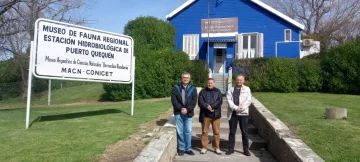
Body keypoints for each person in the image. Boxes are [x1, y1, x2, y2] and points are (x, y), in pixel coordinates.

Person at [171, 72, 198, 156]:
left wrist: (187, 109)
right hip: (178, 113)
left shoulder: (193, 88)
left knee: (188, 131)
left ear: (189, 79)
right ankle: (181, 148)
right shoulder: (176, 88)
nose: (185, 79)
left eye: (187, 78)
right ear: (181, 78)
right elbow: (173, 100)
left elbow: (194, 101)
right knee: (180, 131)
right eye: (184, 77)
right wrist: (180, 108)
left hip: (188, 113)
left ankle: (188, 148)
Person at [225, 75, 252, 156]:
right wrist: (235, 108)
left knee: (244, 132)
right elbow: (229, 100)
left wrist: (241, 108)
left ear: (243, 81)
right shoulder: (231, 89)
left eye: (241, 80)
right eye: (238, 80)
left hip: (243, 113)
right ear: (235, 80)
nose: (239, 81)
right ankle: (231, 148)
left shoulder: (247, 89)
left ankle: (246, 149)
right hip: (233, 112)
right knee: (232, 132)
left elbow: (249, 100)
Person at [198, 78, 223, 155]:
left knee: (216, 132)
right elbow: (200, 101)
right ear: (207, 83)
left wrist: (211, 106)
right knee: (204, 132)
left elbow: (220, 101)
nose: (210, 84)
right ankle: (204, 147)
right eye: (209, 83)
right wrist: (207, 106)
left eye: (211, 83)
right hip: (205, 114)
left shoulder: (218, 91)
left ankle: (217, 147)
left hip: (216, 114)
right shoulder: (202, 91)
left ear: (214, 84)